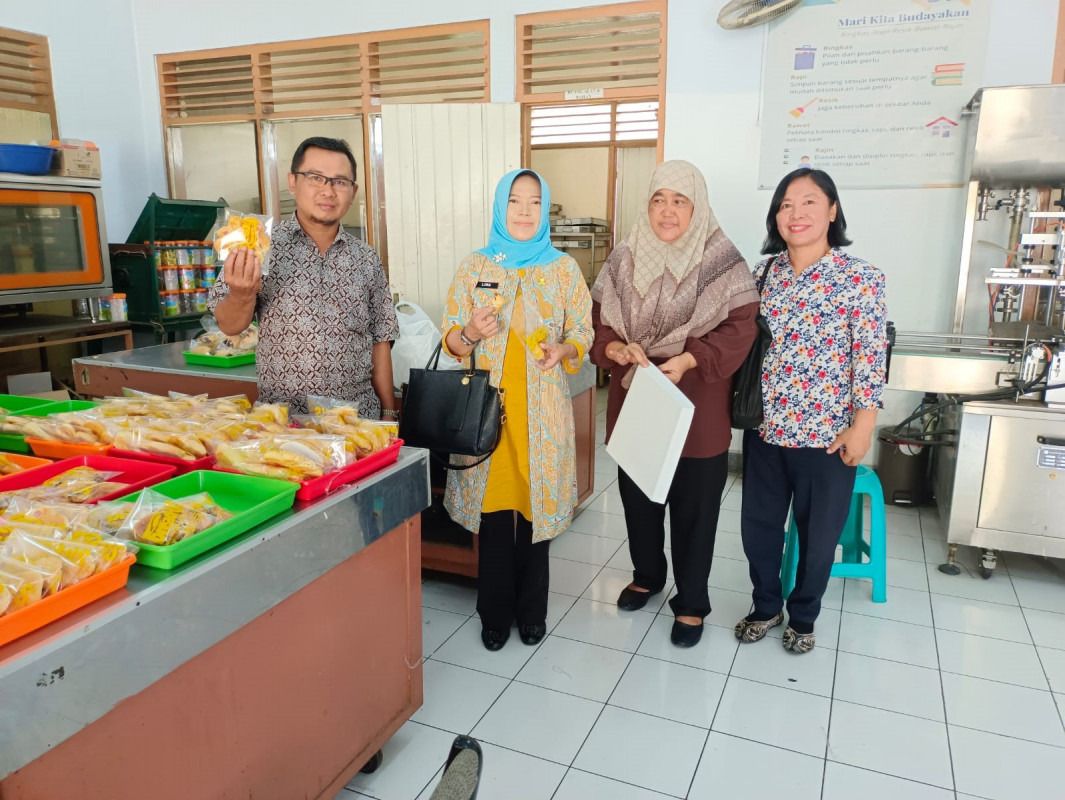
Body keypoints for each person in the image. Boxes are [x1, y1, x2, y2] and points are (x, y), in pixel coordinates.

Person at [590, 160, 759, 648]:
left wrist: (690, 358)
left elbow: (740, 328)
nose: (667, 211)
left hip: (697, 405)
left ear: (697, 206)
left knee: (694, 508)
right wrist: (615, 349)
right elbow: (599, 325)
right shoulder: (623, 258)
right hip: (636, 397)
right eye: (658, 199)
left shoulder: (724, 262)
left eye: (679, 201)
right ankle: (647, 575)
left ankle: (691, 602)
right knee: (639, 500)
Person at [734, 168, 887, 654]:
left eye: (808, 202)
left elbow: (870, 357)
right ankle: (765, 605)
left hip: (827, 436)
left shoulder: (860, 279)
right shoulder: (760, 276)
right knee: (757, 530)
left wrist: (863, 427)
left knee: (817, 536)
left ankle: (804, 616)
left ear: (832, 211)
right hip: (765, 430)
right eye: (785, 204)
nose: (795, 214)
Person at [441, 169, 592, 652]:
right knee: (493, 513)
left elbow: (585, 332)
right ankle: (494, 613)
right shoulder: (474, 267)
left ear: (544, 209)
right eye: (514, 202)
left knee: (534, 514)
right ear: (499, 209)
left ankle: (532, 611)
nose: (524, 212)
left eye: (533, 203)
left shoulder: (564, 269)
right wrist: (470, 333)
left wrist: (564, 350)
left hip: (542, 417)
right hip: (487, 415)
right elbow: (450, 343)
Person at [209, 136, 399, 417]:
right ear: (293, 182)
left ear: (353, 190)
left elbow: (380, 341)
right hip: (284, 423)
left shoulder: (366, 259)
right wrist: (241, 293)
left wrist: (389, 413)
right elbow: (230, 326)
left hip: (358, 420)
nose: (328, 190)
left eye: (339, 181)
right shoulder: (257, 246)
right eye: (315, 178)